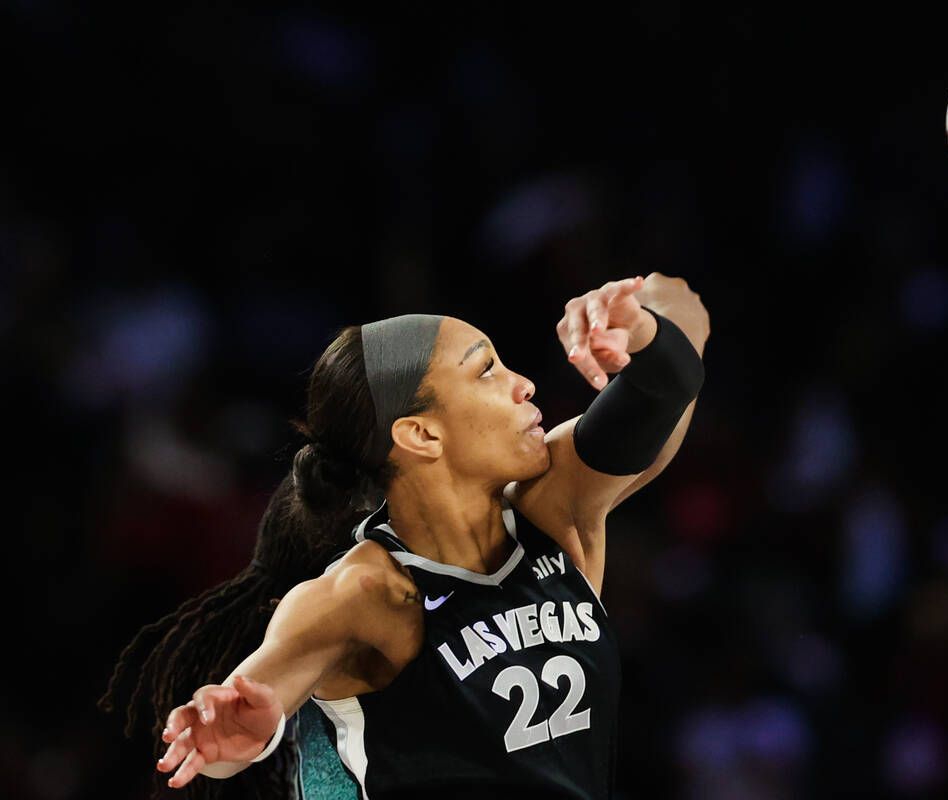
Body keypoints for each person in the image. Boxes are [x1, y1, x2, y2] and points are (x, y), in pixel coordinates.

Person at [105, 273, 708, 799]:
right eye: (487, 370)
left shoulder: (557, 506)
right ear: (421, 435)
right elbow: (256, 699)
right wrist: (241, 737)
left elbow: (667, 383)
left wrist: (638, 323)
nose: (524, 383)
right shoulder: (362, 592)